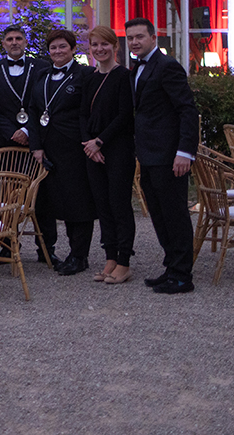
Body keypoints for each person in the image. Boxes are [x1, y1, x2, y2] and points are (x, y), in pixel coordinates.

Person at [126, 17, 200, 295]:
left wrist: (184, 152)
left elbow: (187, 110)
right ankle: (171, 267)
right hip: (148, 154)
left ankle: (183, 276)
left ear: (153, 38)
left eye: (139, 37)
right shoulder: (137, 67)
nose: (134, 42)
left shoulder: (167, 66)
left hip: (170, 156)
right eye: (130, 37)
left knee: (175, 214)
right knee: (158, 214)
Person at [0, 26, 51, 263]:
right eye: (9, 39)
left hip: (36, 141)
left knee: (40, 196)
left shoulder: (41, 67)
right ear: (3, 43)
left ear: (25, 41)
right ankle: (6, 244)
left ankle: (46, 249)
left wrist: (27, 129)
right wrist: (12, 131)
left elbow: (46, 102)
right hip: (4, 141)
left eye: (18, 38)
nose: (14, 42)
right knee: (3, 196)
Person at [28, 29, 96, 277]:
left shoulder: (85, 74)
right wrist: (36, 146)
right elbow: (34, 112)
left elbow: (91, 112)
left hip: (74, 148)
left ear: (73, 49)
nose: (57, 51)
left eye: (62, 47)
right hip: (47, 149)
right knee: (49, 201)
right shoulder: (42, 75)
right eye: (53, 48)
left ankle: (79, 255)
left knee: (77, 203)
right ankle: (48, 250)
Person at [80, 25, 136, 285]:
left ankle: (124, 262)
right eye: (95, 45)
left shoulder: (124, 76)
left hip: (117, 150)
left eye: (105, 44)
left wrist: (101, 141)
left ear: (114, 46)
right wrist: (89, 145)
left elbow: (125, 115)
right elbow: (83, 115)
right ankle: (110, 257)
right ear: (89, 49)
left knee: (119, 205)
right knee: (103, 206)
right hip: (93, 151)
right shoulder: (89, 78)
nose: (100, 49)